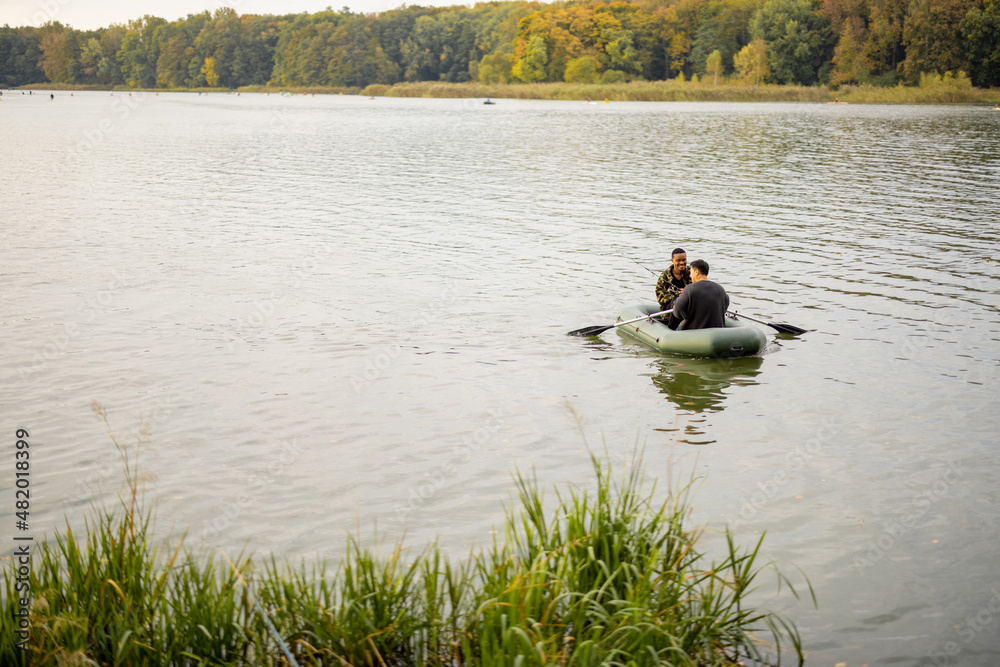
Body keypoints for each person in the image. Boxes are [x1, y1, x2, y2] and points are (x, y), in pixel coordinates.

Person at [666, 259, 729, 330]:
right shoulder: (720, 289)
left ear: (697, 272)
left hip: (693, 332)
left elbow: (677, 312)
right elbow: (725, 307)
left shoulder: (689, 289)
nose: (690, 275)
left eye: (691, 272)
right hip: (717, 332)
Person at [655, 247, 691, 312]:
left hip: (689, 309)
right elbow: (660, 298)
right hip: (670, 311)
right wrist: (677, 295)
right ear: (672, 261)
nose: (682, 263)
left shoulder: (692, 272)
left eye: (684, 260)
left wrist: (686, 292)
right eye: (678, 260)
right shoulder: (664, 276)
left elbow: (699, 289)